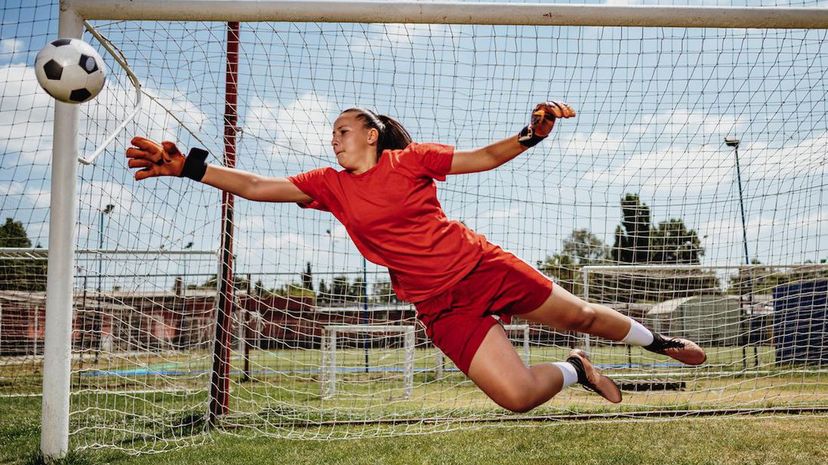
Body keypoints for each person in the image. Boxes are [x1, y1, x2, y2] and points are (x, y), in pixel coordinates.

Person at [126, 101, 706, 413]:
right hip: (438, 304)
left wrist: (531, 135)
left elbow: (482, 157)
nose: (335, 138)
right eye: (332, 133)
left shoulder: (411, 161)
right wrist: (188, 167)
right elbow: (255, 186)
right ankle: (577, 369)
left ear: (372, 134)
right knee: (519, 398)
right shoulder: (327, 184)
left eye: (344, 129)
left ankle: (660, 343)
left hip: (482, 267)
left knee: (578, 314)